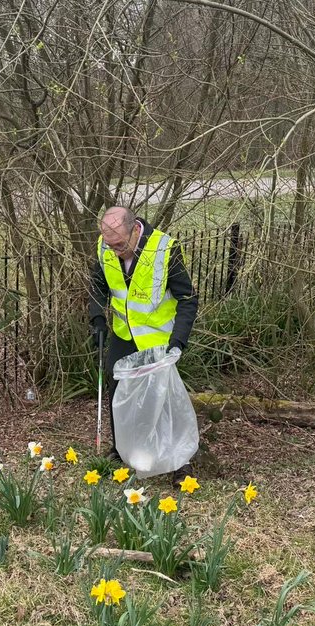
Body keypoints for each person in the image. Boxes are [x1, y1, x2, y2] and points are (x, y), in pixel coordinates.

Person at [88, 205, 198, 485]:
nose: (114, 251)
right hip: (124, 334)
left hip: (158, 339)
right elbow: (98, 285)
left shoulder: (165, 250)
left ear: (135, 229)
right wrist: (97, 317)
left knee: (163, 400)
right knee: (119, 391)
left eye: (120, 245)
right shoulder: (105, 246)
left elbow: (187, 299)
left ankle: (179, 463)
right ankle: (123, 451)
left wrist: (179, 340)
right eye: (110, 245)